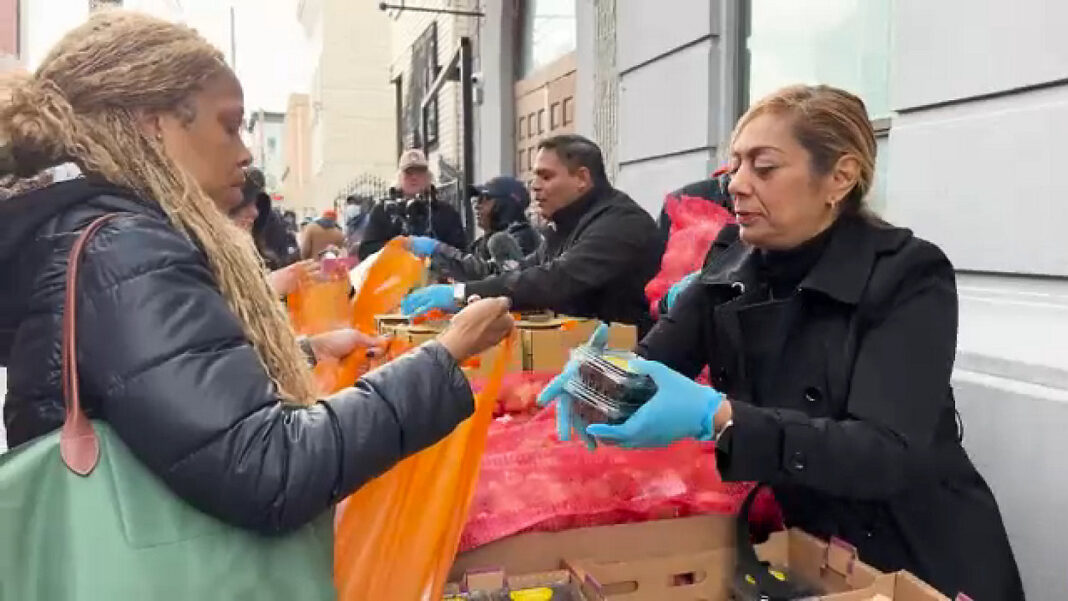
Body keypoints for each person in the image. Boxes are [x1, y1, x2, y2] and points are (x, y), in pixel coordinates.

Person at [0, 11, 514, 535]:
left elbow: (160, 394)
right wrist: (443, 356)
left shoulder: (90, 234)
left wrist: (301, 353)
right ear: (153, 124)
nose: (246, 153)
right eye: (229, 124)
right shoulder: (124, 248)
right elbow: (268, 469)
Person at [539, 85, 1022, 599]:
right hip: (805, 549)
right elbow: (655, 362)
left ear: (840, 176)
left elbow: (885, 453)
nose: (737, 186)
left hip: (914, 555)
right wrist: (602, 380)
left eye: (764, 168)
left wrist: (720, 417)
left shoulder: (907, 275)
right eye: (736, 165)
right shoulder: (728, 262)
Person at [402, 135, 665, 336]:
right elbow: (522, 271)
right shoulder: (563, 226)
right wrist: (452, 278)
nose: (535, 187)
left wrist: (461, 293)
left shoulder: (620, 224)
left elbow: (554, 280)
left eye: (546, 176)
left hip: (633, 364)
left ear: (582, 178)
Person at [406, 176, 543, 281]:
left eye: (485, 198)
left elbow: (489, 276)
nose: (477, 205)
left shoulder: (522, 238)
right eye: (477, 199)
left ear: (506, 204)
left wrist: (437, 249)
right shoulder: (480, 244)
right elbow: (462, 270)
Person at [357, 148, 467, 259]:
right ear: (400, 177)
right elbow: (366, 252)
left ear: (428, 177)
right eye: (409, 172)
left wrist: (434, 249)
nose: (414, 177)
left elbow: (460, 253)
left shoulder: (446, 212)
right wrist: (402, 246)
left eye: (419, 172)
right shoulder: (383, 211)